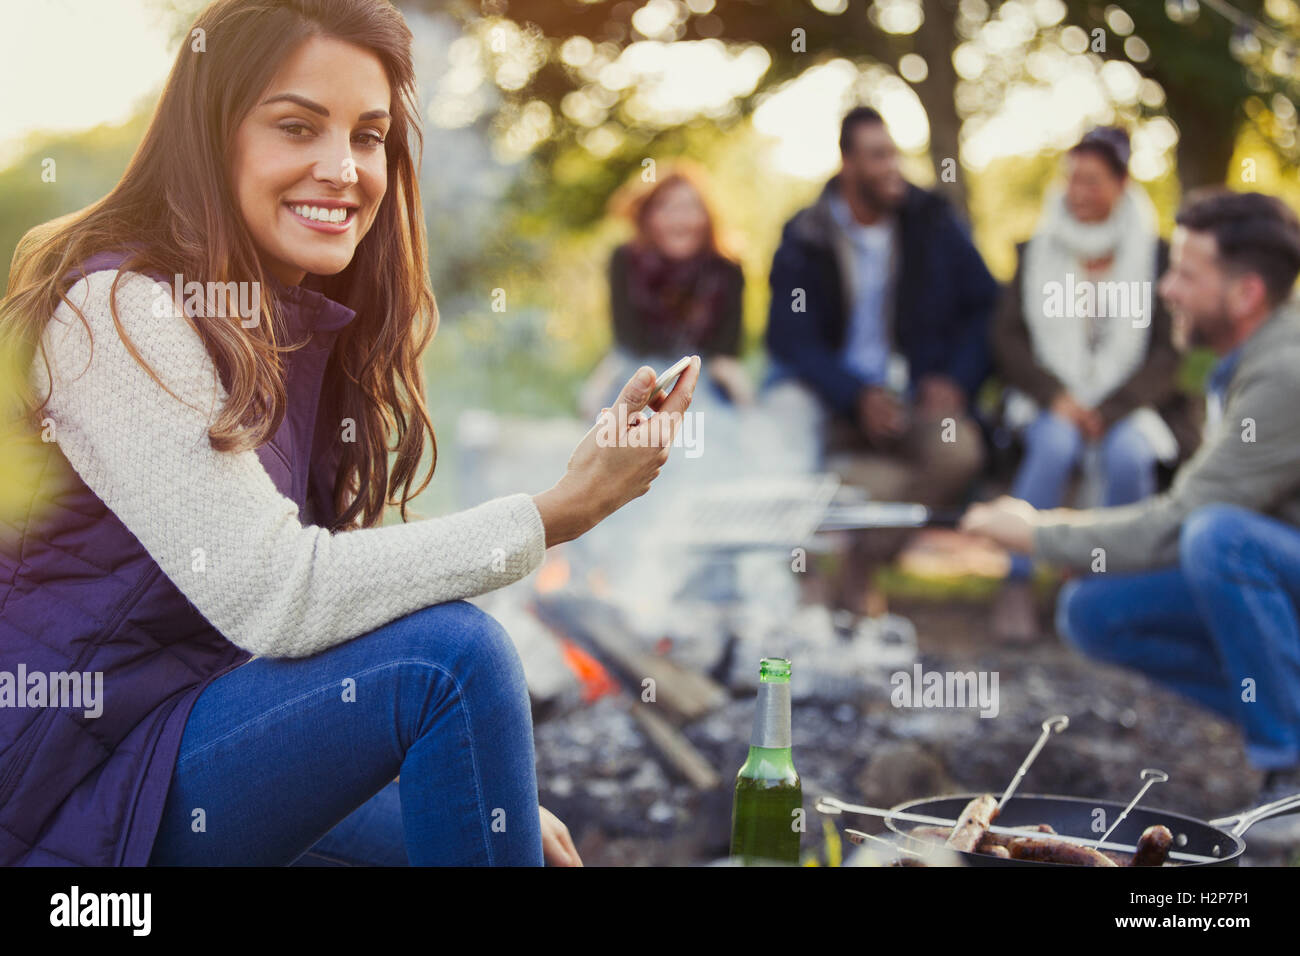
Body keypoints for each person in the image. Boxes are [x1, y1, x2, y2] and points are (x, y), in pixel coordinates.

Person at [0, 0, 701, 867]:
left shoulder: (286, 325)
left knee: (480, 820)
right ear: (211, 135)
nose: (342, 168)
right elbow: (281, 594)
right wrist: (558, 511)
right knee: (454, 658)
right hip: (59, 791)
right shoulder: (117, 312)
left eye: (368, 137)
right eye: (298, 126)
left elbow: (329, 629)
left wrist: (490, 787)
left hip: (172, 754)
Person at [961, 190, 1300, 841]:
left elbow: (1185, 522)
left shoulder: (1283, 373)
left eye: (1186, 274)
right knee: (1097, 610)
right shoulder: (1249, 362)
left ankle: (1289, 774)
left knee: (1219, 538)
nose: (1165, 288)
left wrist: (1037, 533)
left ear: (1246, 293)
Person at [763, 105, 999, 618]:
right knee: (782, 424)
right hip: (831, 399)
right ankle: (796, 582)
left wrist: (955, 379)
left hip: (914, 395)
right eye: (877, 156)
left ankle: (861, 566)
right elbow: (788, 337)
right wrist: (854, 394)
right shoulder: (806, 234)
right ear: (847, 163)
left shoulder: (932, 221)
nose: (892, 167)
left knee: (957, 453)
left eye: (894, 153)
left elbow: (985, 303)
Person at [989, 127, 1184, 642]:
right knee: (1052, 447)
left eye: (1092, 181)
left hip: (1128, 403)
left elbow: (1169, 351)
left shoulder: (1156, 256)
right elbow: (1009, 338)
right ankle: (1017, 582)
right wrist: (1057, 397)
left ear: (1121, 184)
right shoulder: (1039, 251)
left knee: (1129, 458)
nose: (1078, 192)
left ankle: (1115, 588)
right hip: (1050, 399)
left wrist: (1113, 407)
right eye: (1072, 179)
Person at [580, 162, 750, 420]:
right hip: (639, 363)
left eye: (691, 207)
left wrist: (741, 395)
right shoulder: (625, 259)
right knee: (600, 407)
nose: (679, 218)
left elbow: (726, 348)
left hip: (704, 369)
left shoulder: (727, 266)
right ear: (646, 216)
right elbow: (628, 338)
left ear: (708, 216)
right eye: (666, 207)